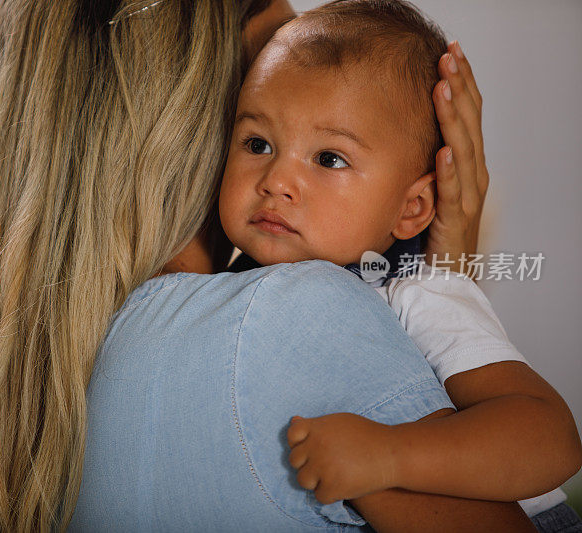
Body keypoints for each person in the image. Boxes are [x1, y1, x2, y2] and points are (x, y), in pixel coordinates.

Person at [0, 0, 533, 531]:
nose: (282, 179)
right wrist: (449, 293)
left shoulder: (33, 377)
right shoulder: (293, 316)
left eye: (328, 153)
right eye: (262, 130)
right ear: (196, 115)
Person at [217, 1, 582, 530]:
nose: (276, 179)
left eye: (329, 158)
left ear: (410, 209)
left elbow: (552, 439)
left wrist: (391, 455)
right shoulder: (224, 292)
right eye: (258, 143)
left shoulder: (415, 294)